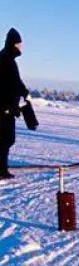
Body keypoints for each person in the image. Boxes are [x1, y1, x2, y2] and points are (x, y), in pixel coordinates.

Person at [0, 28, 30, 179]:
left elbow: (16, 83)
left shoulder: (6, 59)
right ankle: (1, 170)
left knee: (5, 138)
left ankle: (2, 167)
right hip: (4, 108)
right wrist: (10, 106)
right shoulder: (6, 61)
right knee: (6, 138)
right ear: (13, 44)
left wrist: (24, 92)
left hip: (7, 107)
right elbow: (10, 85)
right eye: (19, 44)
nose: (20, 47)